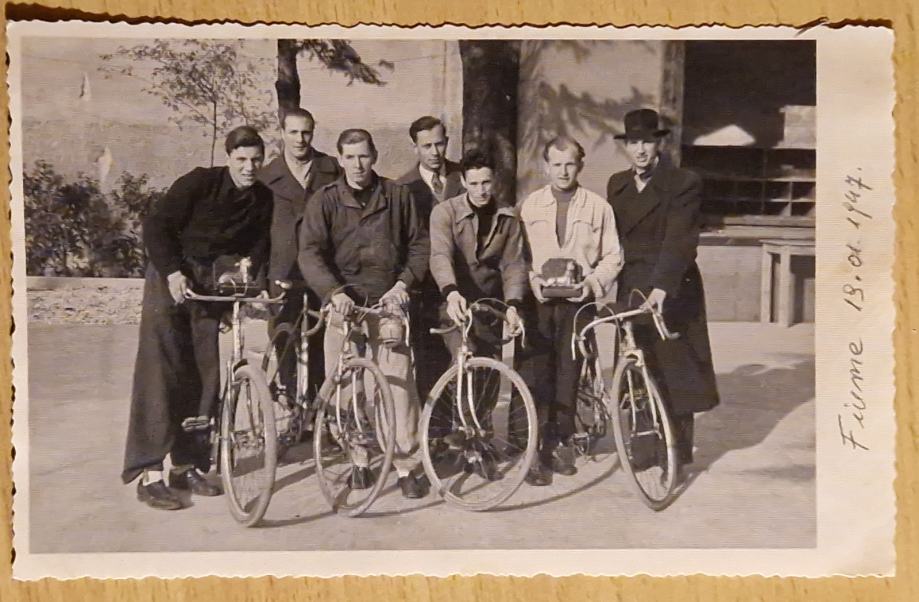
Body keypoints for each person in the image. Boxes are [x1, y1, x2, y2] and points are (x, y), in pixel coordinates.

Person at [122, 126, 273, 510]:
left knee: (205, 372)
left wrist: (246, 285)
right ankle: (150, 473)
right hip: (170, 277)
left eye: (255, 159)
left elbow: (255, 249)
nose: (249, 167)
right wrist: (173, 272)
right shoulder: (199, 182)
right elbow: (155, 226)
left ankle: (186, 463)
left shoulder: (262, 199)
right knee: (162, 368)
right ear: (228, 158)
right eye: (241, 159)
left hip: (210, 285)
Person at [298, 128, 431, 499]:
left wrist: (403, 285)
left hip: (387, 302)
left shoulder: (397, 196)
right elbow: (309, 252)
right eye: (350, 157)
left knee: (398, 385)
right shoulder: (324, 201)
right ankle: (359, 459)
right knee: (348, 386)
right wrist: (332, 293)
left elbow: (419, 246)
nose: (358, 165)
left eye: (364, 156)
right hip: (344, 306)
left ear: (374, 157)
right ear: (339, 159)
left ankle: (406, 465)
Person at [606, 108, 720, 479]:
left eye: (647, 142)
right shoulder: (617, 185)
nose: (640, 150)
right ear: (626, 147)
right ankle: (644, 448)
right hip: (631, 287)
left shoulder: (683, 182)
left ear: (659, 143)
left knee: (674, 371)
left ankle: (676, 458)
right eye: (634, 142)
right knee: (637, 367)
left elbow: (680, 239)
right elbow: (612, 241)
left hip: (671, 286)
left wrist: (661, 287)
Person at [517, 135, 623, 486]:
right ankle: (532, 448)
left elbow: (613, 256)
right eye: (556, 164)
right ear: (545, 166)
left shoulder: (597, 207)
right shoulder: (530, 205)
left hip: (579, 306)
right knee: (536, 372)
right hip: (540, 303)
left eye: (570, 164)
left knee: (569, 373)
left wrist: (591, 285)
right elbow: (521, 256)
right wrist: (532, 282)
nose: (563, 171)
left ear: (580, 165)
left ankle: (561, 442)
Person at [257, 107, 340, 406]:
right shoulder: (266, 177)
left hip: (319, 268)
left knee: (316, 339)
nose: (300, 139)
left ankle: (315, 409)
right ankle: (291, 402)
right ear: (281, 134)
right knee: (284, 336)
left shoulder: (330, 169)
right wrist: (260, 278)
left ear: (313, 132)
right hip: (282, 269)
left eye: (306, 132)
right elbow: (258, 232)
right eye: (293, 132)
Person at [396, 116, 464, 403]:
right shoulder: (403, 187)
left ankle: (474, 429)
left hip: (464, 282)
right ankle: (435, 434)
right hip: (425, 288)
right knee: (429, 361)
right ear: (415, 148)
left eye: (439, 144)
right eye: (427, 146)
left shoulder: (464, 177)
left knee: (471, 355)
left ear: (447, 142)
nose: (435, 152)